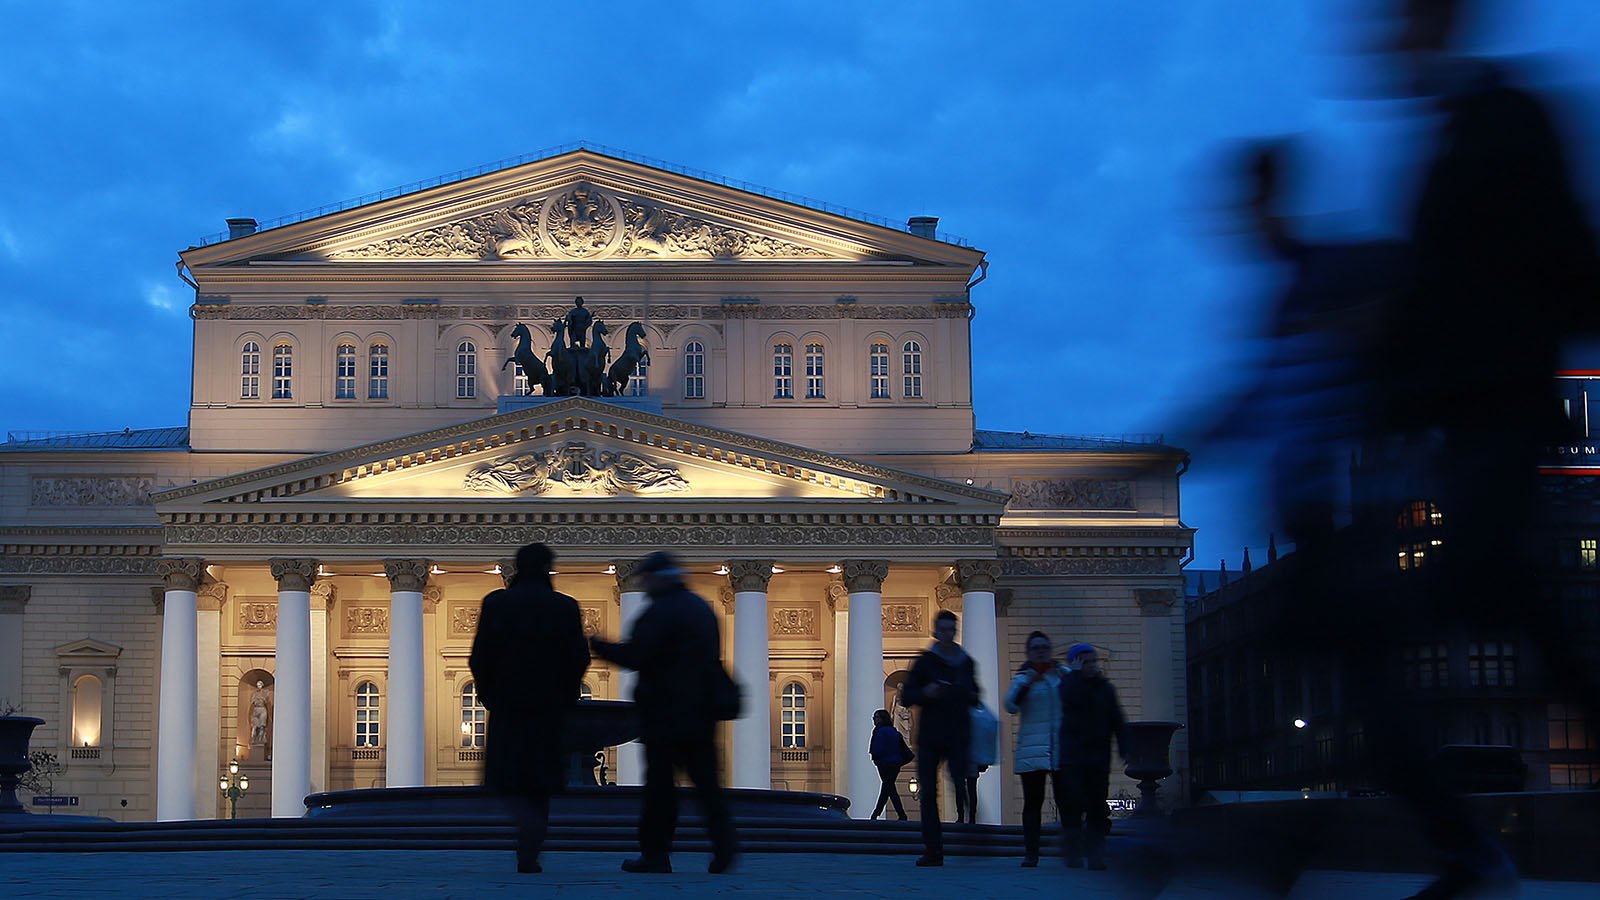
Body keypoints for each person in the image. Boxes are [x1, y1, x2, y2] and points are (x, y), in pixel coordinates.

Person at [589, 551, 739, 874]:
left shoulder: (660, 612)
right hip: (700, 714)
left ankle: (655, 854)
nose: (643, 585)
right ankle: (725, 847)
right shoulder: (701, 609)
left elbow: (638, 654)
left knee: (660, 790)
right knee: (707, 787)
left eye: (647, 579)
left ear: (659, 578)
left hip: (665, 715)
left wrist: (599, 646)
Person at [468, 542, 590, 875]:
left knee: (508, 777)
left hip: (509, 705)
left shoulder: (498, 603)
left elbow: (480, 656)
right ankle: (531, 846)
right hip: (549, 709)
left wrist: (488, 693)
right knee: (540, 782)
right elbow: (579, 657)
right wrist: (566, 696)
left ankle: (526, 827)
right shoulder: (564, 606)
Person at [902, 608, 980, 867]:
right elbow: (907, 696)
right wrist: (927, 692)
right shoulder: (925, 662)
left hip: (958, 734)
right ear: (936, 632)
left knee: (961, 783)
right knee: (928, 793)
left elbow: (976, 696)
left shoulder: (966, 662)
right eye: (943, 630)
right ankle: (933, 849)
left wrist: (958, 691)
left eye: (951, 630)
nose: (948, 635)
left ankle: (970, 830)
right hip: (931, 737)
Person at [1057, 643, 1128, 871]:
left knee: (1098, 808)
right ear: (1075, 663)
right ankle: (1074, 852)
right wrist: (1075, 674)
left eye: (1093, 661)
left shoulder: (1105, 688)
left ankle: (1095, 854)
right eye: (1085, 662)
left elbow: (1117, 718)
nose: (1092, 666)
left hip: (1098, 758)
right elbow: (1070, 701)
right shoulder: (1068, 685)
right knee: (1073, 806)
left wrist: (1125, 746)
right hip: (1073, 758)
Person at [1004, 631, 1070, 867]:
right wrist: (1028, 682)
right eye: (1036, 648)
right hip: (1032, 749)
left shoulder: (1062, 676)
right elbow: (1010, 705)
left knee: (1066, 803)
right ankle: (1031, 853)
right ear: (1029, 652)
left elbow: (1078, 696)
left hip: (1060, 748)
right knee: (1033, 803)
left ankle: (1071, 850)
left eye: (1044, 647)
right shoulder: (1022, 678)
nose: (1041, 651)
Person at [868, 709, 910, 821]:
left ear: (881, 719)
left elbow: (878, 748)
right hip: (895, 763)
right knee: (888, 788)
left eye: (875, 717)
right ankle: (877, 813)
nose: (874, 720)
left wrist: (875, 757)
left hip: (884, 763)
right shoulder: (893, 731)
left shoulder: (879, 731)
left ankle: (899, 814)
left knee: (889, 788)